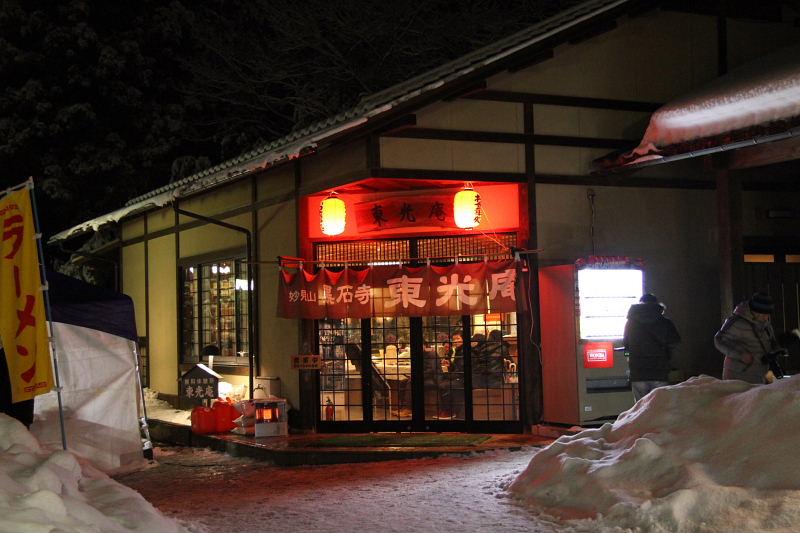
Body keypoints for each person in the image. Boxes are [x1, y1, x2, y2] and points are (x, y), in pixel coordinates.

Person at [623, 293, 681, 401]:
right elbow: (674, 343)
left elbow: (626, 346)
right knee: (659, 408)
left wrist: (628, 359)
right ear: (656, 304)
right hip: (659, 372)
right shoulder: (665, 322)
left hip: (638, 372)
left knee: (640, 410)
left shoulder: (630, 324)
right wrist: (670, 361)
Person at [714, 292, 781, 384]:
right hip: (737, 376)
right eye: (764, 314)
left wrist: (777, 349)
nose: (766, 317)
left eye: (768, 314)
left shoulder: (766, 325)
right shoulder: (735, 322)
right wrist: (741, 355)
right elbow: (719, 340)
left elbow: (770, 343)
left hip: (761, 375)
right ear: (755, 311)